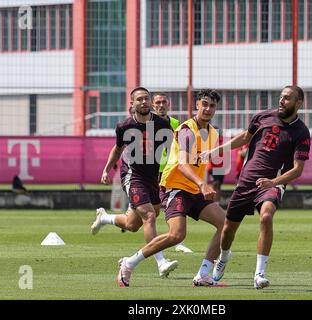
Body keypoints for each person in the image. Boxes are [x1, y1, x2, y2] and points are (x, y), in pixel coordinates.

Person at [115, 89, 226, 287]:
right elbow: (182, 165)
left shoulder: (214, 133)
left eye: (212, 105)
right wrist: (202, 184)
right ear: (197, 106)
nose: (208, 109)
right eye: (205, 104)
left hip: (194, 189)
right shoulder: (186, 129)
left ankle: (203, 275)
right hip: (175, 188)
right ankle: (129, 263)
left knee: (225, 224)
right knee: (177, 235)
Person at [205, 85, 311, 289]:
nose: (282, 101)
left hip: (272, 183)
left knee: (267, 216)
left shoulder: (301, 132)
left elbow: (298, 170)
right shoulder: (262, 116)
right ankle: (224, 258)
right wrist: (217, 150)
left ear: (298, 103)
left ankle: (259, 274)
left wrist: (274, 182)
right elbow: (245, 137)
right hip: (246, 181)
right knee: (228, 230)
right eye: (281, 97)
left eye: (287, 98)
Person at [90, 86, 178, 278]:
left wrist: (175, 169)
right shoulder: (124, 126)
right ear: (132, 104)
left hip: (153, 177)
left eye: (146, 98)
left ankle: (105, 218)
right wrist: (106, 169)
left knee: (133, 224)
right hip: (132, 176)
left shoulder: (163, 123)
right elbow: (117, 149)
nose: (144, 102)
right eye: (139, 99)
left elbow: (172, 148)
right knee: (150, 216)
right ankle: (161, 262)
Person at [152, 92, 193, 254]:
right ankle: (109, 218)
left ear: (168, 105)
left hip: (171, 170)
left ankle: (177, 239)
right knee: (151, 212)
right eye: (158, 103)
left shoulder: (176, 123)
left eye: (164, 102)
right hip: (152, 170)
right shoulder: (149, 123)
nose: (161, 105)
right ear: (153, 106)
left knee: (176, 203)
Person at [206, 128, 224, 205]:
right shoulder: (209, 140)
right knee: (214, 183)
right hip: (212, 166)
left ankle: (217, 203)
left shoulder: (222, 140)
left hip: (221, 166)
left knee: (218, 185)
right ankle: (211, 202)